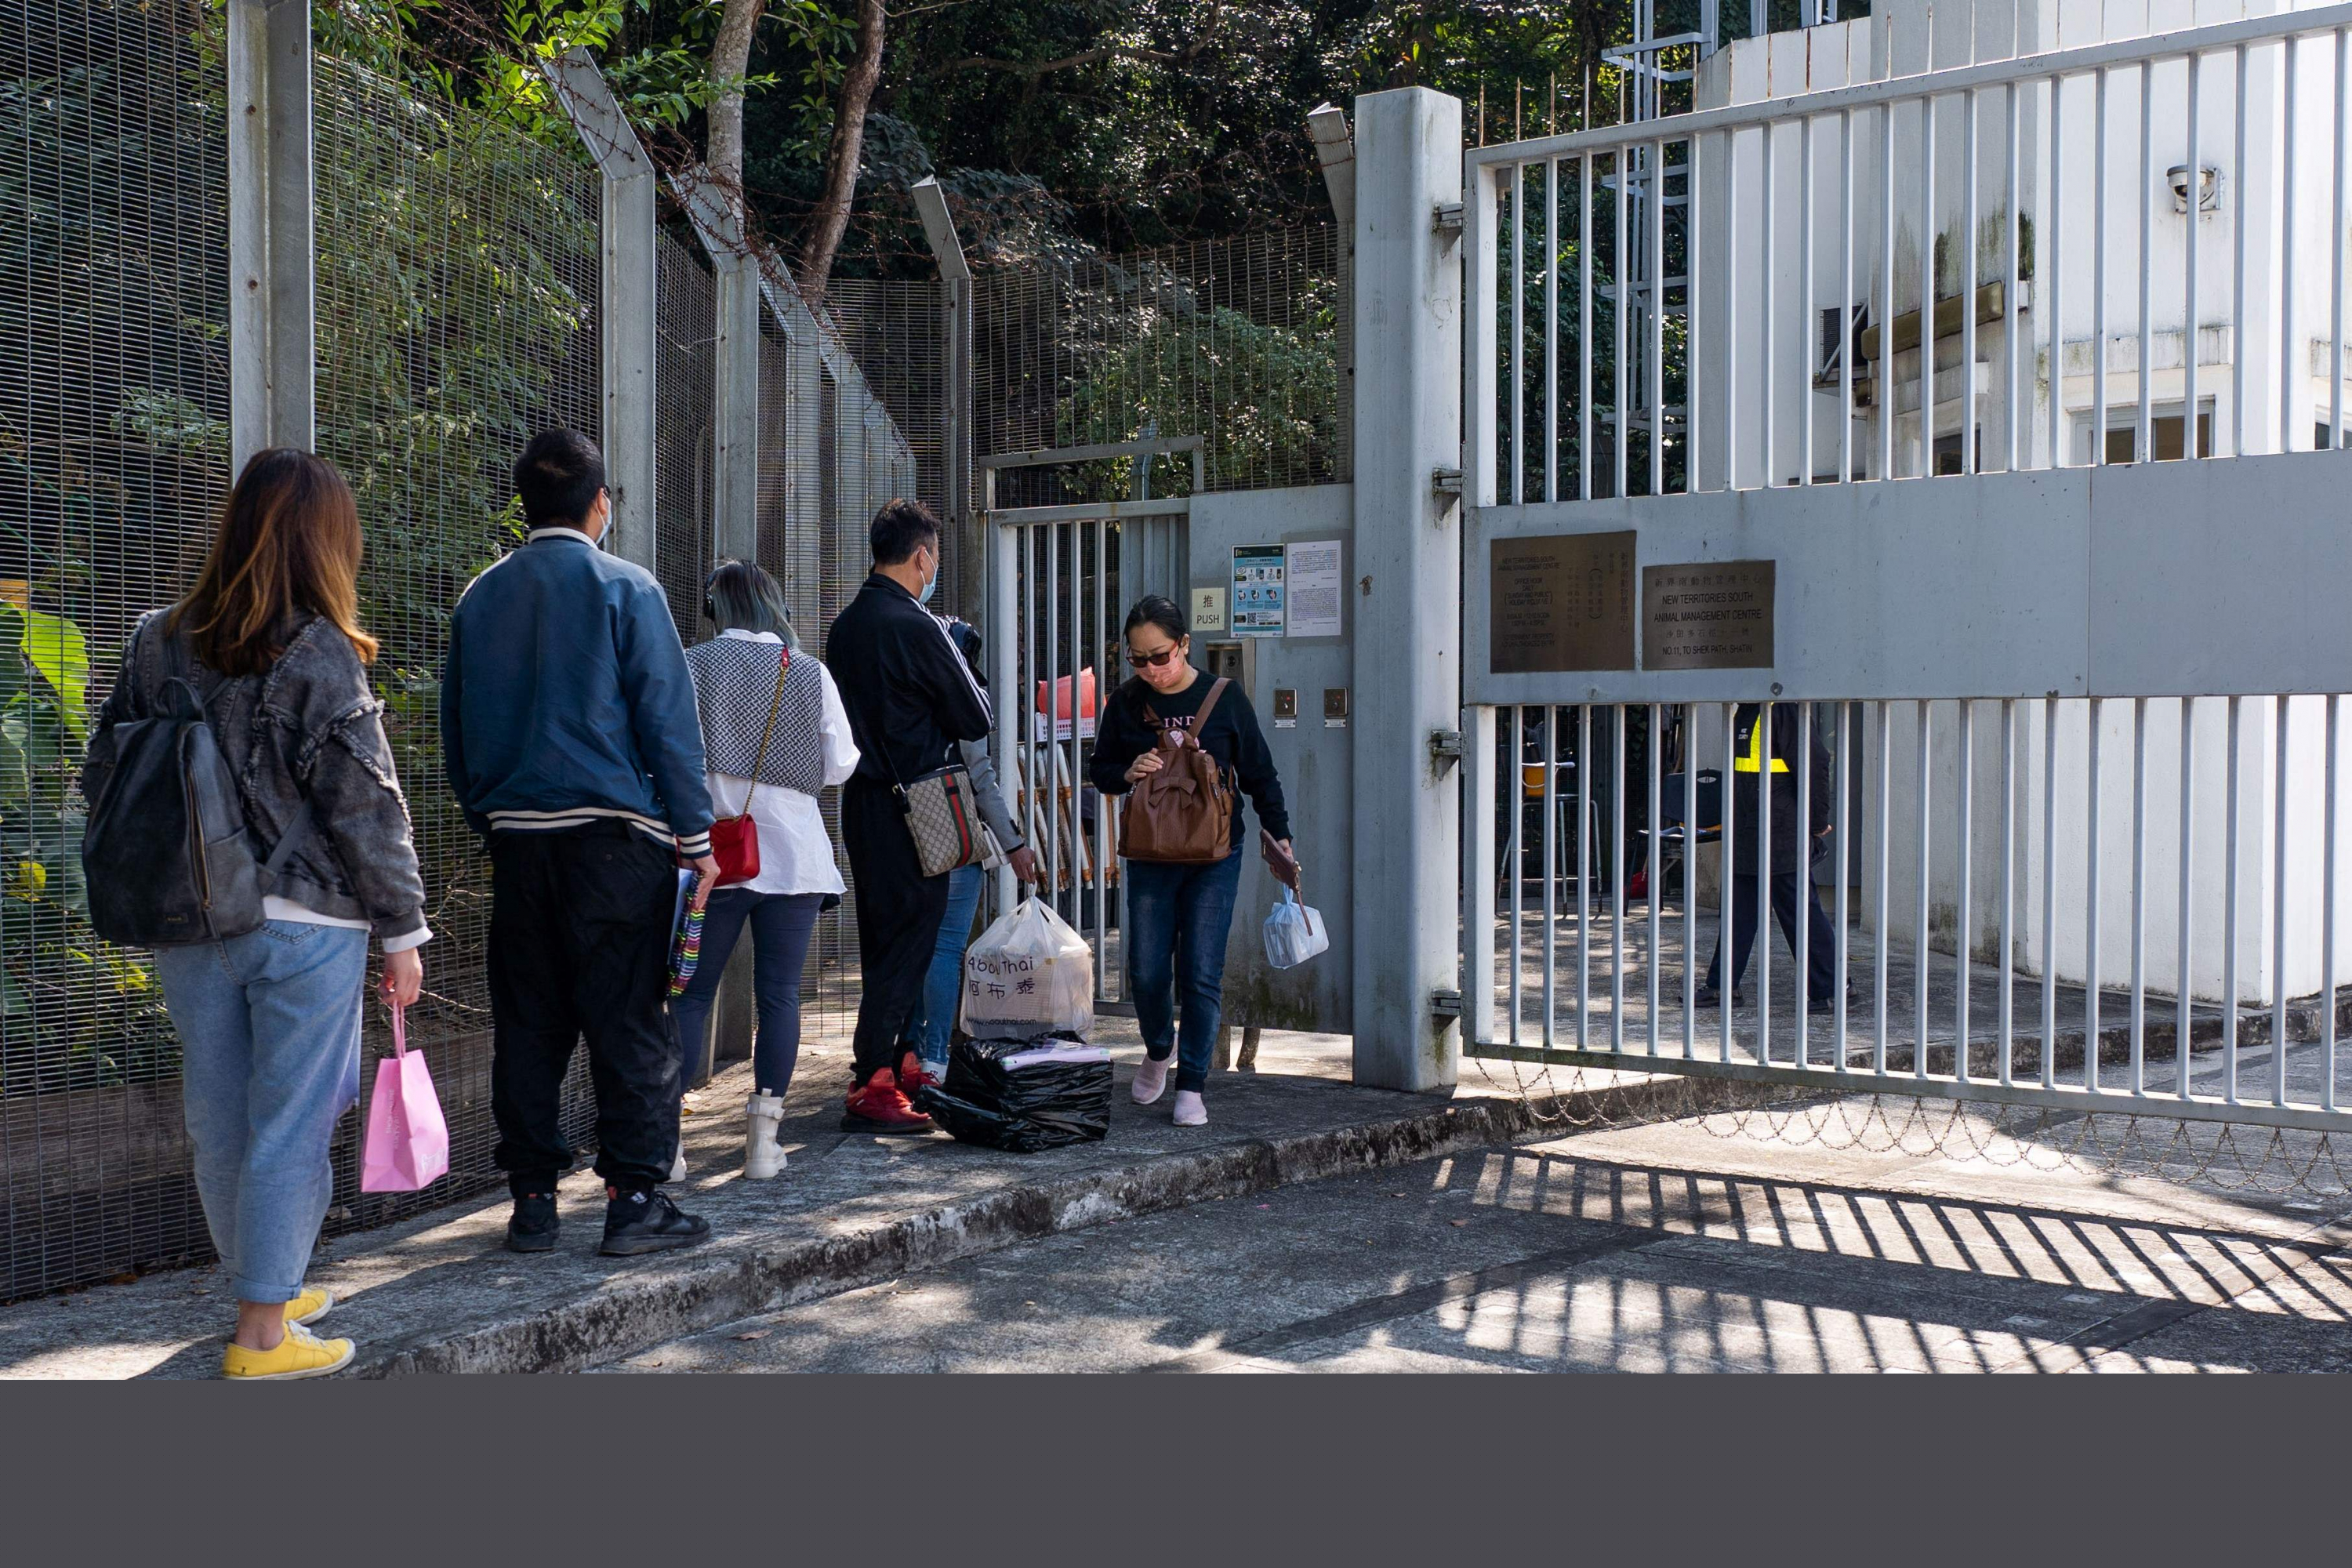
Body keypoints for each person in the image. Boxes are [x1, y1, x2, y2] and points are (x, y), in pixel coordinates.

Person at [84, 448, 430, 1379]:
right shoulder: (318, 648)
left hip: (189, 915)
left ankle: (261, 1283)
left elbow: (101, 772)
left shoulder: (156, 637)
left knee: (223, 1116)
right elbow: (366, 806)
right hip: (306, 923)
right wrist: (403, 931)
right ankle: (263, 1334)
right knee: (292, 1122)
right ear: (326, 543)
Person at [442, 429, 720, 1257]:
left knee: (528, 1024)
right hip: (615, 843)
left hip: (518, 845)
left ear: (524, 502)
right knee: (630, 1021)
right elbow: (668, 720)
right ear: (603, 503)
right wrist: (696, 835)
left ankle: (532, 1202)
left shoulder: (478, 597)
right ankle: (633, 1199)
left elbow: (456, 729)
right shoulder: (627, 589)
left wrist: (488, 816)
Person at [672, 560, 858, 1179]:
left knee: (692, 993)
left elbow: (670, 753)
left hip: (712, 859)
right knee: (778, 996)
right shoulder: (809, 673)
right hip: (796, 860)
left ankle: (664, 1143)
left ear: (716, 610)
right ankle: (763, 1145)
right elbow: (840, 764)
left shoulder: (691, 666)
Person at [1090, 595, 1294, 1128]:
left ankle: (1192, 1084)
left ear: (1184, 645)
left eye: (1161, 656)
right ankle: (1160, 1047)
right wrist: (1127, 771)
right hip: (1151, 851)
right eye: (1138, 660)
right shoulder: (1126, 703)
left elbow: (1260, 775)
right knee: (1148, 969)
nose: (1151, 670)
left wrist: (1282, 835)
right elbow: (1101, 770)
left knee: (1201, 970)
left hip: (1215, 854)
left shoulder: (1225, 699)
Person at [823, 499, 993, 1134]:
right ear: (923, 556)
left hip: (864, 803)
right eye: (936, 557)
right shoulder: (917, 624)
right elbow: (976, 715)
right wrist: (957, 649)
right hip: (918, 803)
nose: (935, 566)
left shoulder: (846, 626)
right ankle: (873, 1079)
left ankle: (897, 1063)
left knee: (881, 937)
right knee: (916, 935)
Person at [899, 615, 1036, 1087]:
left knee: (907, 948)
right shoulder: (962, 699)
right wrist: (1015, 843)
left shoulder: (901, 696)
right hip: (952, 841)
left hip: (901, 837)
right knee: (944, 949)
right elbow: (981, 781)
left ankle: (906, 1053)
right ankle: (936, 1056)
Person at [1696, 702, 1839, 1011]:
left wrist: (1815, 822)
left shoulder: (1784, 708)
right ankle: (1722, 986)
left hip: (1779, 831)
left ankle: (1833, 989)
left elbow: (1815, 763)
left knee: (1799, 911)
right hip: (1750, 829)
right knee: (1740, 911)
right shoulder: (1747, 709)